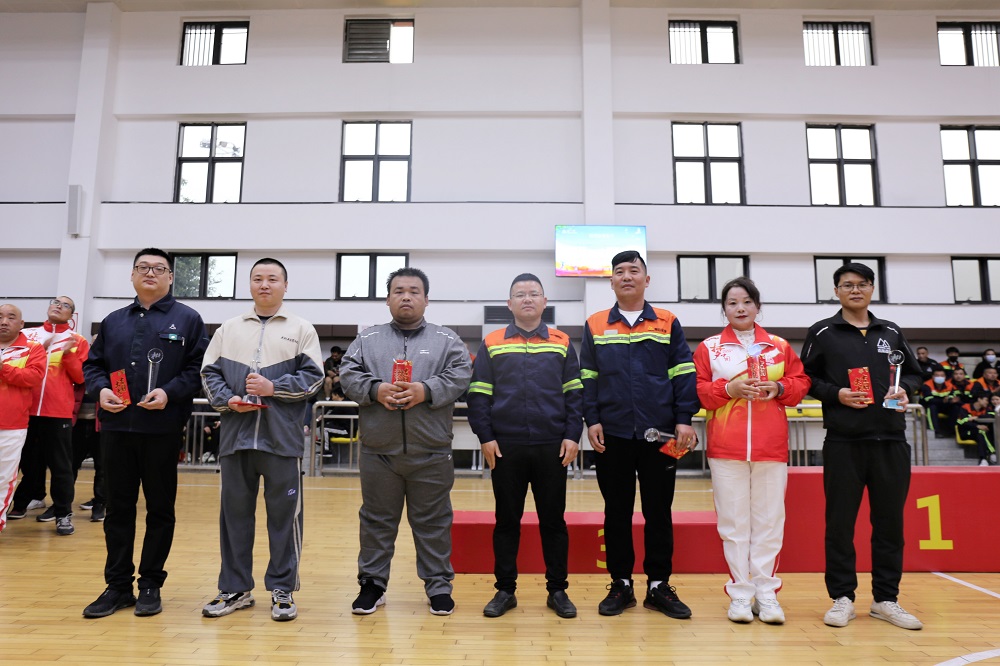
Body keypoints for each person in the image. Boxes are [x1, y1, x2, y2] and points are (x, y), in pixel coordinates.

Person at [81, 248, 209, 618]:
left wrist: (169, 392)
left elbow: (198, 369)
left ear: (171, 277)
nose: (150, 273)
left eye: (158, 268)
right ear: (132, 275)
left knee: (160, 509)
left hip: (162, 429)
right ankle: (118, 586)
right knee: (118, 508)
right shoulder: (113, 320)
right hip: (117, 427)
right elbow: (93, 366)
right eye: (142, 267)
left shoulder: (188, 319)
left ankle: (151, 583)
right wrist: (100, 390)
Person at [340, 267, 472, 616]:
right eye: (398, 291)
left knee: (434, 522)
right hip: (378, 452)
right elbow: (347, 375)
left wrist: (426, 390)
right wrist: (375, 390)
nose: (406, 297)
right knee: (376, 520)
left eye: (414, 291)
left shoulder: (447, 340)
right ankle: (372, 585)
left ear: (426, 299)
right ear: (388, 299)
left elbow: (461, 375)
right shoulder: (367, 340)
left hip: (432, 451)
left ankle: (438, 586)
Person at [200, 258, 324, 622]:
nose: (264, 284)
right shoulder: (229, 329)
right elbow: (208, 374)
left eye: (272, 279)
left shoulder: (302, 329)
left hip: (282, 441)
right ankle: (235, 588)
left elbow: (314, 379)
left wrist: (274, 387)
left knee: (284, 519)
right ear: (250, 285)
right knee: (234, 518)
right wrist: (228, 400)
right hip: (235, 439)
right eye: (257, 278)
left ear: (285, 286)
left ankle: (282, 589)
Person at [801, 262, 923, 631]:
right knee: (839, 524)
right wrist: (836, 393)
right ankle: (842, 598)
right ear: (836, 291)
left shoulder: (891, 330)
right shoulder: (822, 332)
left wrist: (906, 390)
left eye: (863, 284)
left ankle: (886, 599)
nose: (856, 290)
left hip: (891, 440)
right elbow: (805, 378)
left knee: (890, 525)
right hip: (844, 442)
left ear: (872, 288)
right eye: (848, 285)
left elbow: (914, 373)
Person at [580, 250, 699, 619]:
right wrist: (591, 419)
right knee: (616, 512)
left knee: (658, 511)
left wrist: (684, 419)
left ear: (647, 280)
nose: (627, 276)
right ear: (611, 281)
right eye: (620, 271)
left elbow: (683, 371)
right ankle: (621, 585)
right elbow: (588, 377)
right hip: (612, 434)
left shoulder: (667, 321)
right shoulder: (595, 324)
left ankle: (659, 585)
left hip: (662, 435)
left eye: (634, 270)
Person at [693, 277, 810, 625]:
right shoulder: (710, 347)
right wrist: (728, 389)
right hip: (725, 446)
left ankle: (766, 593)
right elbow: (697, 391)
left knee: (769, 522)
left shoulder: (779, 346)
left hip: (770, 447)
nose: (740, 308)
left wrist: (779, 387)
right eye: (732, 303)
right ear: (724, 309)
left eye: (746, 301)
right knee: (733, 523)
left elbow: (800, 383)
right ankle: (740, 593)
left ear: (758, 307)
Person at [467, 273, 583, 619]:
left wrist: (572, 435)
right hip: (506, 447)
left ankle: (557, 590)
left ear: (545, 302)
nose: (527, 299)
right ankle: (505, 590)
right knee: (506, 521)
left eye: (534, 293)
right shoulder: (492, 342)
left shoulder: (562, 342)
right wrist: (485, 436)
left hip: (552, 447)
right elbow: (478, 394)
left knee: (553, 522)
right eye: (520, 294)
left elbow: (575, 393)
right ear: (510, 304)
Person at [9, 296, 89, 534]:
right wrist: (39, 351)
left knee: (61, 466)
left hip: (57, 411)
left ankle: (63, 513)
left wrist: (67, 354)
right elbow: (15, 366)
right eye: (55, 302)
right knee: (25, 461)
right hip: (24, 409)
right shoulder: (27, 335)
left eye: (65, 305)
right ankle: (22, 502)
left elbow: (80, 377)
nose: (58, 306)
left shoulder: (78, 340)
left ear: (71, 315)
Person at [0, 304, 46, 532]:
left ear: (21, 324)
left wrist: (3, 369)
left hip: (11, 425)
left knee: (3, 479)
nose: (4, 321)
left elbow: (33, 378)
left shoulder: (32, 349)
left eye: (11, 317)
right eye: (0, 317)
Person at [955, 394, 996, 467]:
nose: (987, 402)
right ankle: (992, 452)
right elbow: (961, 422)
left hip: (979, 432)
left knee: (981, 434)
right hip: (966, 432)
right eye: (986, 400)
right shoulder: (965, 407)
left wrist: (976, 417)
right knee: (981, 432)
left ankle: (983, 459)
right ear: (979, 399)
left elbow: (992, 415)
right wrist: (977, 426)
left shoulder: (987, 408)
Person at [920, 368, 955, 438]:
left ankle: (952, 431)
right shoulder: (927, 385)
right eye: (937, 375)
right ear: (933, 376)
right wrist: (942, 401)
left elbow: (951, 395)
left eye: (942, 375)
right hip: (929, 405)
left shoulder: (949, 385)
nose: (940, 377)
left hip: (944, 405)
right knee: (932, 407)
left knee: (955, 407)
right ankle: (935, 431)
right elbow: (928, 400)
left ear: (945, 377)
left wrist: (950, 399)